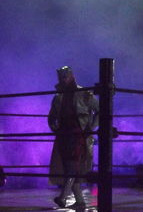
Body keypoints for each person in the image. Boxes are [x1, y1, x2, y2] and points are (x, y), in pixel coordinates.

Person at [48, 66, 99, 209]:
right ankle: (80, 200)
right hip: (64, 136)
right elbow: (51, 118)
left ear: (71, 76)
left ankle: (63, 197)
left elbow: (100, 111)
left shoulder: (84, 94)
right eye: (61, 77)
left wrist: (91, 128)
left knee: (72, 166)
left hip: (79, 137)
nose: (63, 79)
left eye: (65, 76)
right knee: (71, 167)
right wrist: (56, 129)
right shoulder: (58, 97)